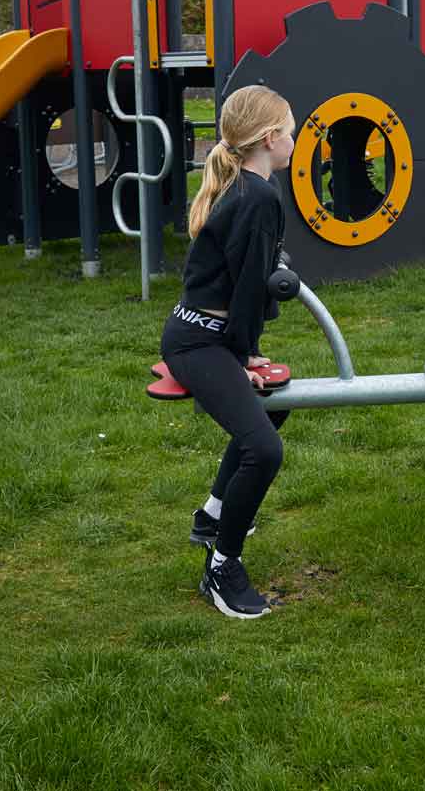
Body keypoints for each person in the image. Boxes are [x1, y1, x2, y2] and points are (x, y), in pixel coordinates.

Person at [161, 85, 295, 620]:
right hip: (196, 340)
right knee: (264, 450)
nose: (293, 140)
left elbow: (249, 280)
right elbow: (245, 290)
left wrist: (247, 350)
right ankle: (222, 566)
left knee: (278, 402)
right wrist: (243, 354)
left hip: (210, 335)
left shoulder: (248, 185)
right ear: (269, 139)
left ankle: (213, 514)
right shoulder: (257, 195)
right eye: (289, 130)